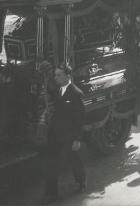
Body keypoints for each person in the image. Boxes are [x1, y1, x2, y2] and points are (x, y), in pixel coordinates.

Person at [44, 63, 86, 203]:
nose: (56, 78)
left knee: (74, 160)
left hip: (69, 135)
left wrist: (77, 139)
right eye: (55, 75)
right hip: (55, 134)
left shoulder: (75, 93)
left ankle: (81, 182)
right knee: (50, 162)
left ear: (68, 76)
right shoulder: (58, 90)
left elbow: (80, 119)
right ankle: (51, 193)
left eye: (59, 75)